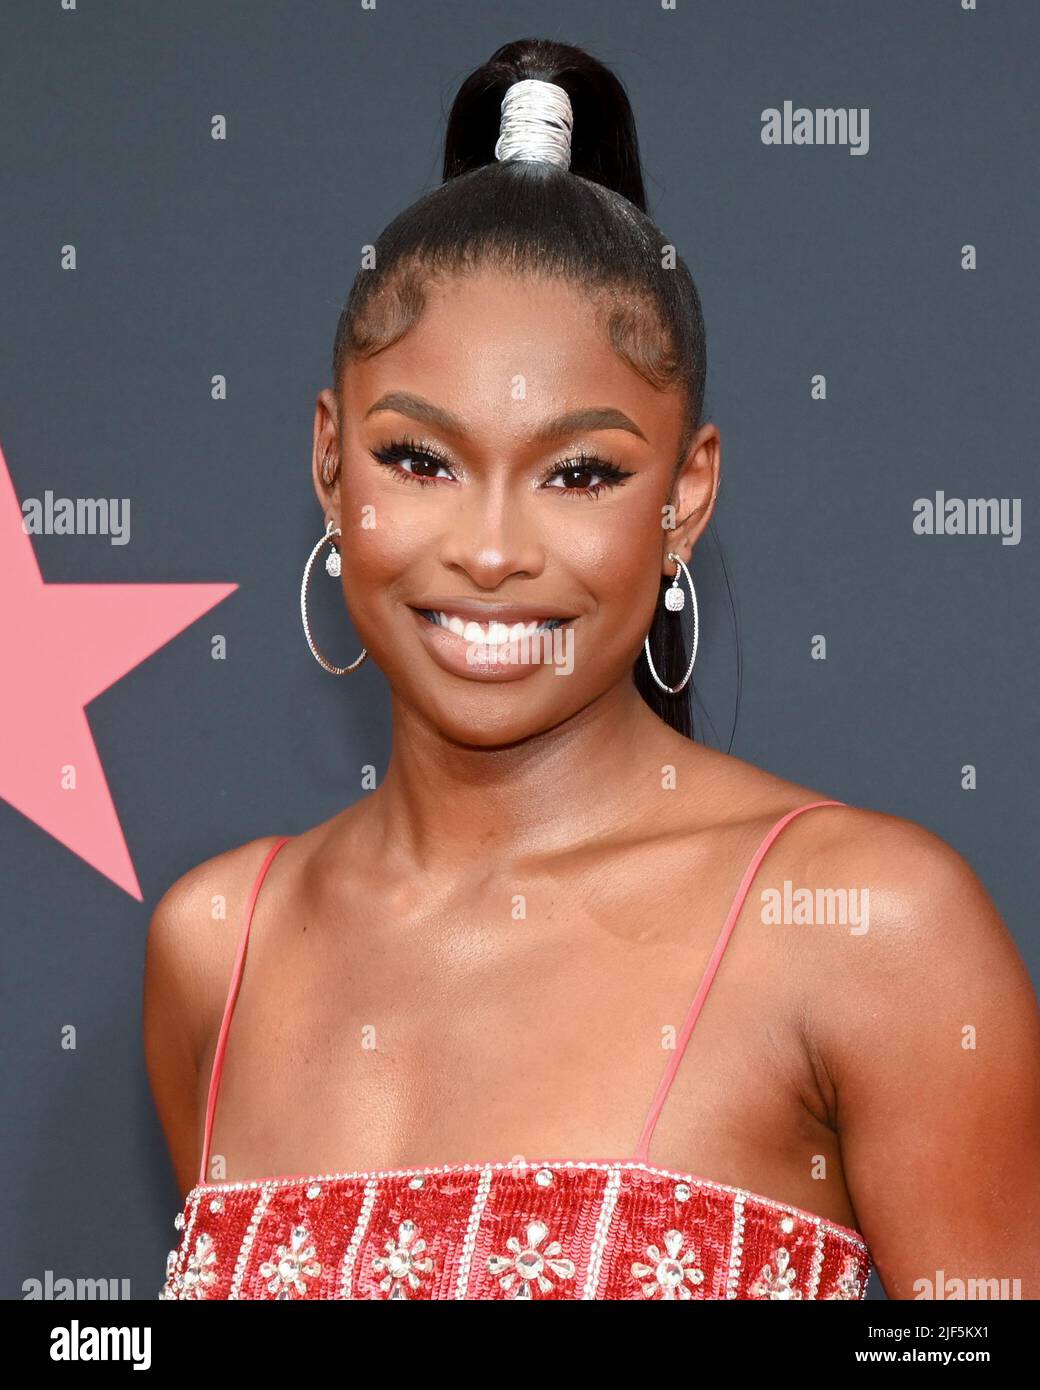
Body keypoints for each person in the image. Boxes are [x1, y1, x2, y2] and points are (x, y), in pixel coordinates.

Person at [144, 38, 1040, 1301]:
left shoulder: (871, 929)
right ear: (329, 464)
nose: (493, 550)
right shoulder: (216, 950)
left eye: (579, 473)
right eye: (420, 459)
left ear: (684, 496)